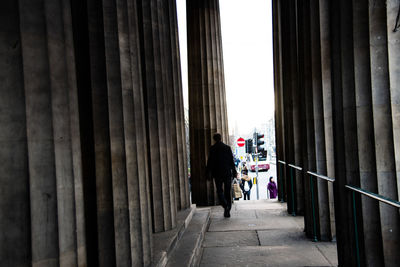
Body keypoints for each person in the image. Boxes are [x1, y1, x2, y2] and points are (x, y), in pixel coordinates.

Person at [206, 133, 237, 218]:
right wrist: (234, 172)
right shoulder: (227, 148)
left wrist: (208, 173)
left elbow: (210, 162)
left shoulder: (212, 149)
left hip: (217, 173)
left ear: (214, 139)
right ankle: (228, 208)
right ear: (221, 138)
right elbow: (231, 161)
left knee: (219, 191)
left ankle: (225, 204)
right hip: (227, 173)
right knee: (227, 191)